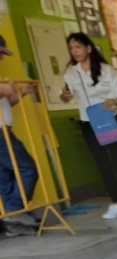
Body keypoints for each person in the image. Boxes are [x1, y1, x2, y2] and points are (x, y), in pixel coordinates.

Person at [61, 33, 117, 220]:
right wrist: (64, 96)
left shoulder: (106, 70)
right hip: (88, 123)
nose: (75, 51)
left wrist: (113, 101)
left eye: (78, 47)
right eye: (71, 48)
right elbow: (66, 97)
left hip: (108, 120)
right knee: (103, 164)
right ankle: (116, 203)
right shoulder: (70, 73)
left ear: (88, 48)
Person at [0, 37, 40, 237]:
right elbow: (5, 90)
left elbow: (6, 102)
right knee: (27, 168)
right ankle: (15, 212)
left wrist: (21, 93)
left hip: (4, 129)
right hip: (1, 134)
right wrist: (14, 87)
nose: (2, 58)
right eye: (0, 53)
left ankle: (13, 220)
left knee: (6, 177)